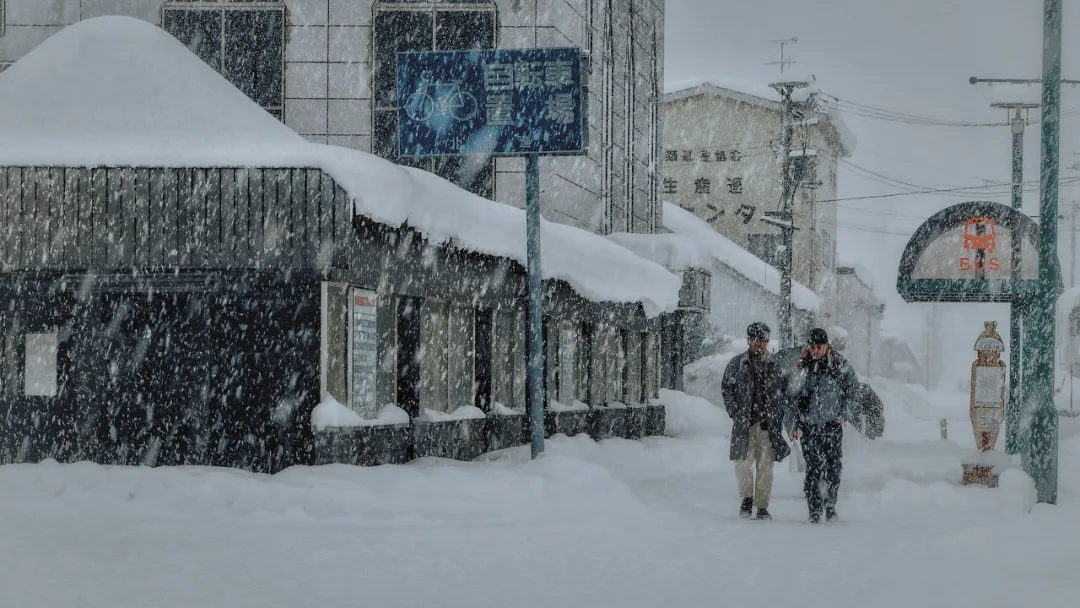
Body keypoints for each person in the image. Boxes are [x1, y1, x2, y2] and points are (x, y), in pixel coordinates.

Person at [787, 328, 859, 524]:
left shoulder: (840, 366)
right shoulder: (801, 368)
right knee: (814, 468)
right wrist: (792, 425)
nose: (816, 351)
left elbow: (853, 392)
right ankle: (814, 509)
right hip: (809, 428)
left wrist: (844, 414)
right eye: (813, 347)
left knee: (834, 468)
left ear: (827, 346)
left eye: (819, 347)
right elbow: (791, 398)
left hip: (832, 427)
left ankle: (830, 505)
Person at [721, 322, 791, 520]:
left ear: (767, 342)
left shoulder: (775, 365)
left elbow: (784, 393)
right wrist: (735, 412)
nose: (758, 344)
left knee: (765, 468)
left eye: (762, 341)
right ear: (748, 340)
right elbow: (727, 389)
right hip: (744, 424)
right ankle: (746, 499)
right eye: (754, 340)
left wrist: (778, 414)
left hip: (767, 426)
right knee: (742, 464)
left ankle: (762, 506)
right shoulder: (737, 364)